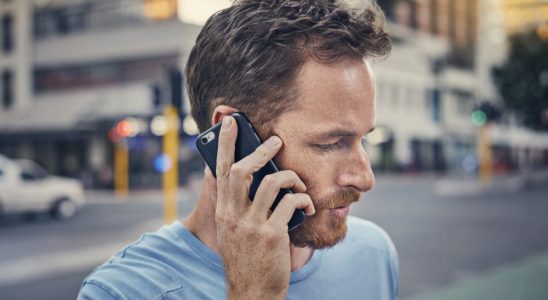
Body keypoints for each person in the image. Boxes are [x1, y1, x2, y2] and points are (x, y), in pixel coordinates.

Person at [78, 0, 398, 299]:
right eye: (330, 143)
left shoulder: (374, 252)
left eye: (362, 139)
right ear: (231, 136)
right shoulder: (121, 292)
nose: (365, 178)